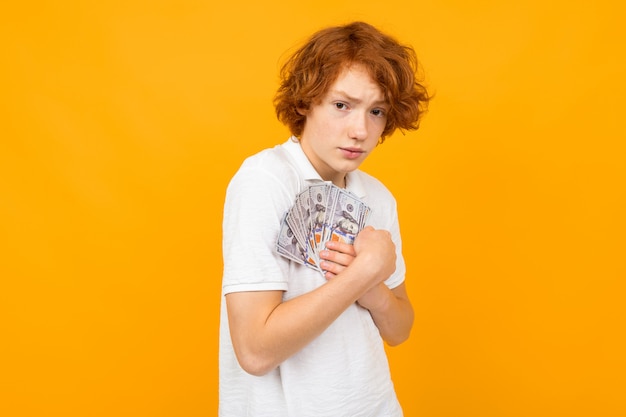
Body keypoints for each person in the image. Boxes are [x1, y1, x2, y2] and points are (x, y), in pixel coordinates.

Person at [219, 21, 430, 417]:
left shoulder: (378, 198)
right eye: (341, 105)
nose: (360, 131)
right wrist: (363, 273)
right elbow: (254, 351)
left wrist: (376, 293)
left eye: (377, 111)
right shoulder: (265, 180)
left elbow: (400, 329)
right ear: (305, 102)